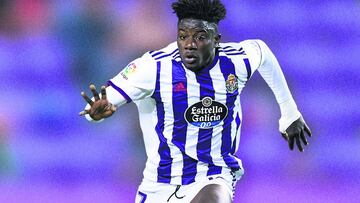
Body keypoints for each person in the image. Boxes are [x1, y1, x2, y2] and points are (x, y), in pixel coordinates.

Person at [79, 0, 312, 202]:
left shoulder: (236, 60)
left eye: (199, 37)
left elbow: (263, 53)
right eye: (183, 36)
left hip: (213, 175)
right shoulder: (153, 67)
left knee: (216, 196)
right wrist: (95, 113)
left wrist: (290, 114)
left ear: (216, 39)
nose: (189, 44)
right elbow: (102, 103)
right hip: (161, 185)